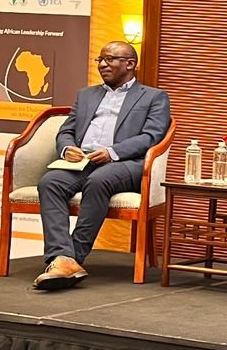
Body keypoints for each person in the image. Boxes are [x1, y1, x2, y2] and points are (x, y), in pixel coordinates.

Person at [33, 41, 171, 290]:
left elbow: (151, 137)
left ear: (130, 64)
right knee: (50, 182)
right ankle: (61, 257)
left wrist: (112, 152)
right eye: (100, 59)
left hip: (125, 163)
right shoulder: (86, 95)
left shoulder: (153, 97)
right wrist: (67, 148)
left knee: (99, 180)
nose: (102, 65)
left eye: (110, 59)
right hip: (83, 161)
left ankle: (73, 258)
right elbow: (66, 130)